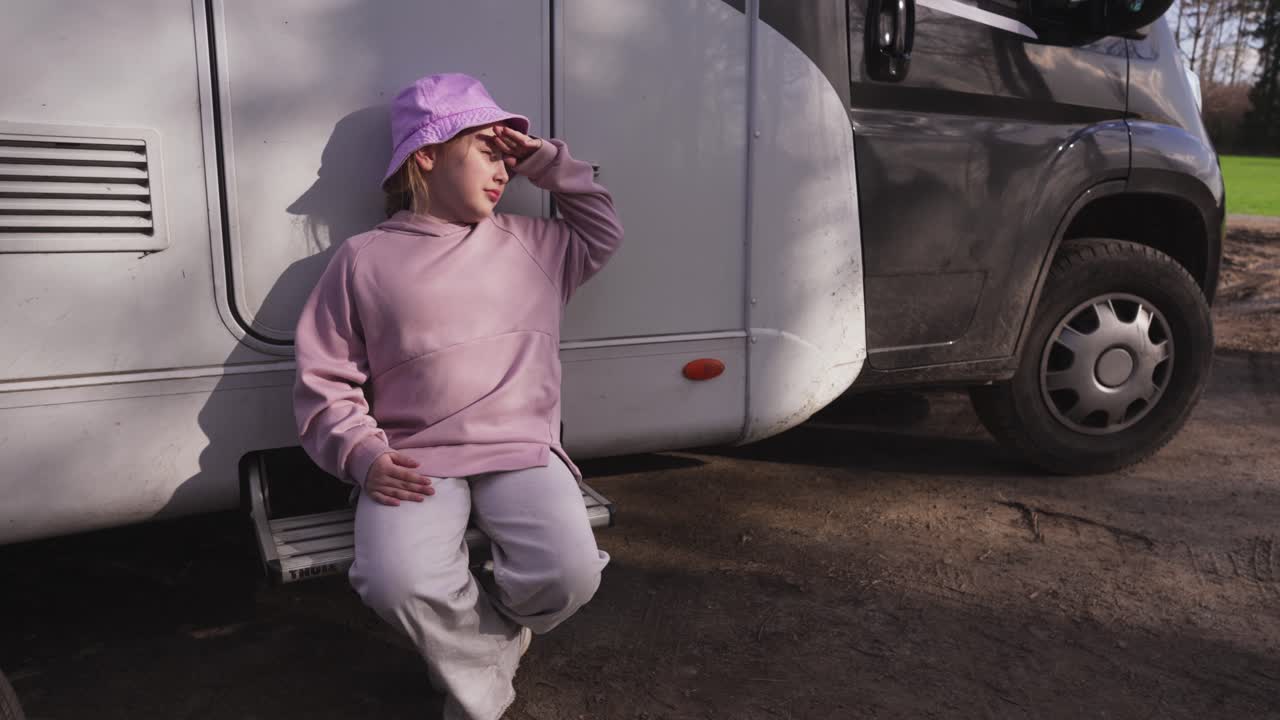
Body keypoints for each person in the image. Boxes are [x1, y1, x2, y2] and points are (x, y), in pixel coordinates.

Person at [292, 73, 623, 720]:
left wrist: (547, 163)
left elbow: (603, 227)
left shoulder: (538, 244)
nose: (504, 170)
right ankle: (490, 659)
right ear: (426, 155)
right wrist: (362, 455)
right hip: (414, 456)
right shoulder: (363, 259)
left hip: (521, 448)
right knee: (394, 581)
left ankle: (484, 645)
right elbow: (324, 376)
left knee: (571, 573)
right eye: (487, 151)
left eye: (509, 157)